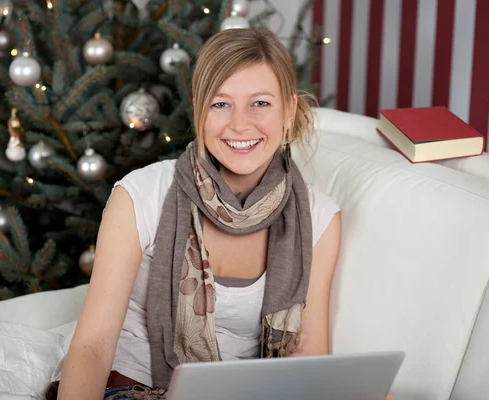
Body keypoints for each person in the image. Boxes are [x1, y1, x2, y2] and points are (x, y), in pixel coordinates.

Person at [52, 27, 390, 400]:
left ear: (289, 110)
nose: (240, 124)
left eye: (260, 103)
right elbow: (94, 346)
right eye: (221, 103)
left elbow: (307, 355)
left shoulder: (320, 218)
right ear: (199, 109)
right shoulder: (139, 195)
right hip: (134, 388)